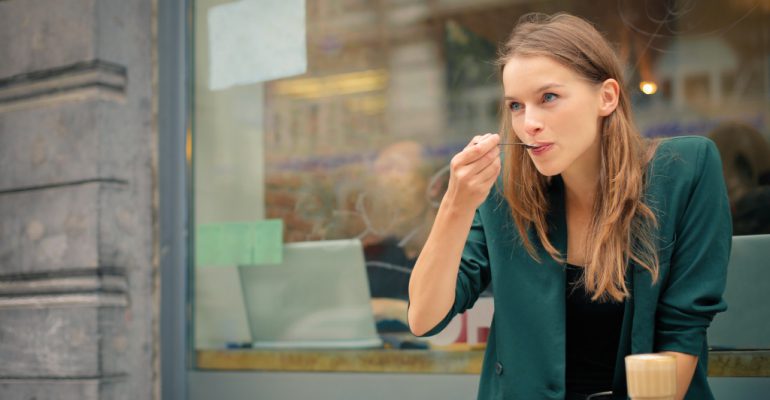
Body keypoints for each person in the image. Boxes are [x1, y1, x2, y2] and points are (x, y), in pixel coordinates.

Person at [408, 13, 731, 400]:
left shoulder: (684, 173)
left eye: (548, 98)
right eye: (515, 105)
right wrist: (455, 207)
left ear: (606, 97)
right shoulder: (502, 190)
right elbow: (424, 318)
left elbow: (681, 337)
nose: (529, 123)